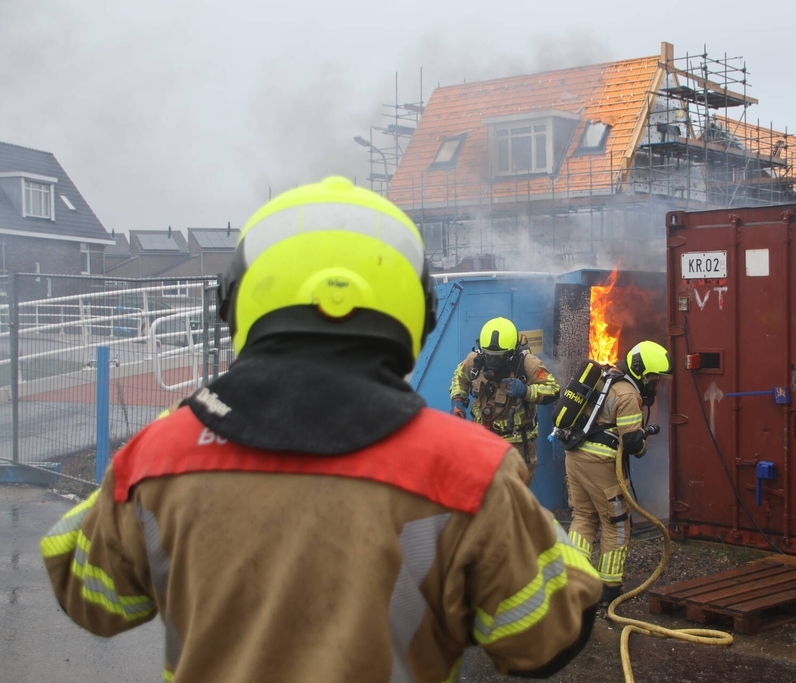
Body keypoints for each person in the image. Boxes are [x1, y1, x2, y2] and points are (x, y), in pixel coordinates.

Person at [39, 177, 601, 682]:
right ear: (417, 313)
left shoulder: (161, 456)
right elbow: (548, 639)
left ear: (237, 303)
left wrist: (150, 451)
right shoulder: (470, 472)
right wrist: (522, 518)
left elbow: (87, 592)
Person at [563, 340, 672, 607]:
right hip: (599, 464)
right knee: (617, 522)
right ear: (643, 374)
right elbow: (633, 444)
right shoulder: (626, 395)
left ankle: (573, 577)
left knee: (583, 516)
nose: (655, 386)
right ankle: (609, 586)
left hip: (574, 457)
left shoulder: (605, 378)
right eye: (654, 379)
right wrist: (644, 443)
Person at [449, 316, 560, 485]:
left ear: (511, 352)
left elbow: (553, 389)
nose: (492, 362)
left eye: (498, 357)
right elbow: (460, 377)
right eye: (488, 355)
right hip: (482, 441)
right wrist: (458, 400)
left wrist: (526, 391)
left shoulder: (528, 365)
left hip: (516, 446)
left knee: (514, 501)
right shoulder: (475, 361)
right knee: (481, 495)